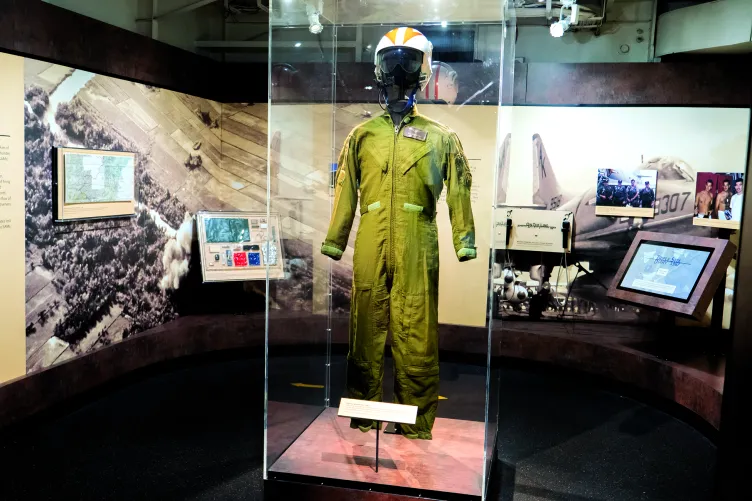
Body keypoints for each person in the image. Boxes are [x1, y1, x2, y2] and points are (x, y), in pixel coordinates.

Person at [321, 27, 476, 440]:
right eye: (393, 61)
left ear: (423, 69)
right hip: (372, 240)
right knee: (365, 328)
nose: (400, 70)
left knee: (417, 331)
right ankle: (365, 414)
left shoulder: (442, 138)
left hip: (417, 240)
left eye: (409, 61)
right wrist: (336, 238)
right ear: (379, 67)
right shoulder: (362, 136)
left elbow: (459, 187)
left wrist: (465, 239)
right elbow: (345, 189)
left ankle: (414, 423)